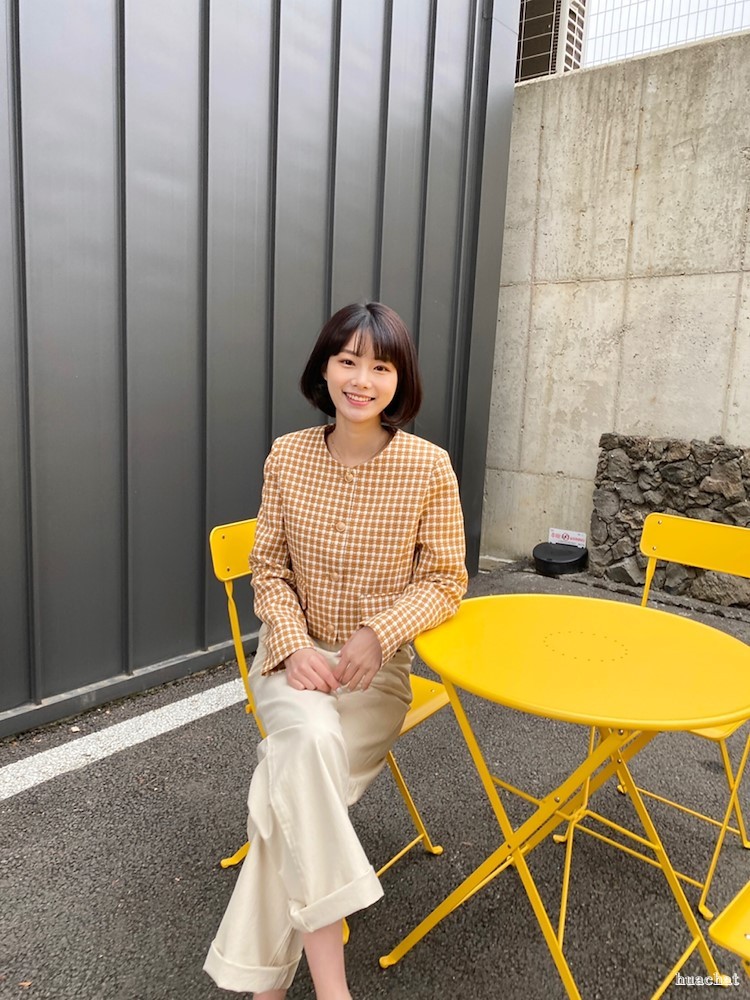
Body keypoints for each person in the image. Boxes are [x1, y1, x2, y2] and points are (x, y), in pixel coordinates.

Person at [204, 302, 467, 999]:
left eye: (380, 366)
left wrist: (380, 633)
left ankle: (266, 988)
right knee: (310, 746)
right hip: (291, 663)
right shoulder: (288, 455)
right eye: (348, 361)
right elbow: (268, 568)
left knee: (284, 796)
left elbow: (447, 579)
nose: (362, 379)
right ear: (324, 368)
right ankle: (332, 989)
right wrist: (293, 646)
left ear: (399, 380)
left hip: (374, 677)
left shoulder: (429, 467)